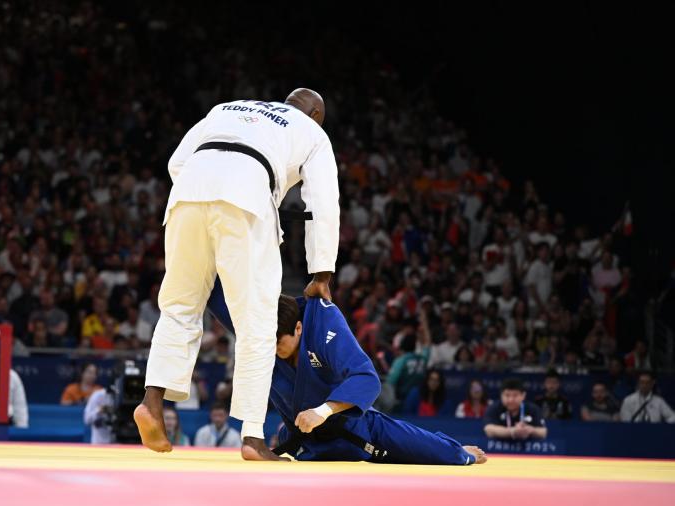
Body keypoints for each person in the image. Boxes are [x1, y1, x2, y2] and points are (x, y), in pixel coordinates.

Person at [135, 89, 341, 461]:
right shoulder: (311, 131)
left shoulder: (227, 107)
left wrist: (210, 191)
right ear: (314, 114)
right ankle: (252, 437)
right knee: (258, 324)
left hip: (187, 194)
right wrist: (321, 272)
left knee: (179, 307)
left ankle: (152, 402)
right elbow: (324, 203)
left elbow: (176, 162)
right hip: (245, 199)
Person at [206, 279, 486, 465]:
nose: (272, 349)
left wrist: (324, 411)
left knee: (440, 453)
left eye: (279, 343)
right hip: (303, 440)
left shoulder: (324, 323)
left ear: (299, 329)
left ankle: (457, 450)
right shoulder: (260, 334)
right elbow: (220, 299)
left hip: (354, 432)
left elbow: (366, 378)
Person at [483, 378, 548, 440]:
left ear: (523, 395)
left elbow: (543, 432)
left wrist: (530, 430)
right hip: (498, 449)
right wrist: (512, 431)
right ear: (501, 395)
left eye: (515, 395)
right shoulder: (494, 408)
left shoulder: (533, 408)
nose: (511, 400)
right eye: (507, 395)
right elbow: (488, 429)